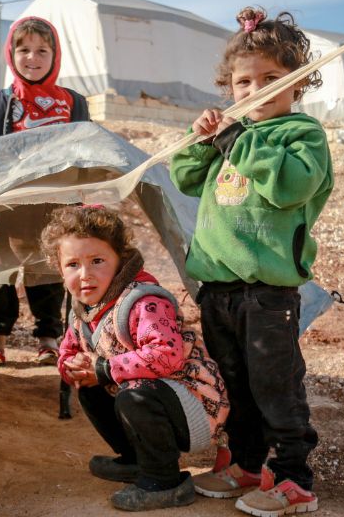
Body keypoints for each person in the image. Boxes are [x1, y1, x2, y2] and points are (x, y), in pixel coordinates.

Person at [169, 6, 334, 516]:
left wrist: (235, 140)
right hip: (218, 290)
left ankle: (293, 479)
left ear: (297, 83)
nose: (256, 89)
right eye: (244, 82)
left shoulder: (301, 136)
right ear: (229, 87)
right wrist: (202, 139)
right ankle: (245, 464)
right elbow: (184, 177)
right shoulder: (230, 134)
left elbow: (288, 186)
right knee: (234, 384)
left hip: (266, 294)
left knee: (274, 386)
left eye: (270, 78)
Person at [42, 205, 229, 512]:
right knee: (90, 387)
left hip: (195, 409)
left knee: (133, 395)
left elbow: (166, 356)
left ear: (120, 259)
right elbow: (69, 350)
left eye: (97, 261)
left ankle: (165, 481)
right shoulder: (84, 309)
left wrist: (104, 368)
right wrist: (72, 368)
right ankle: (136, 460)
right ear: (60, 271)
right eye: (73, 264)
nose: (85, 274)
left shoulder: (143, 302)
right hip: (154, 397)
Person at [0, 16, 90, 367]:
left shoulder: (73, 102)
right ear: (11, 55)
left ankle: (48, 337)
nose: (32, 58)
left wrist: (80, 199)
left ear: (55, 55)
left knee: (48, 271)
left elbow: (86, 150)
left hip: (54, 205)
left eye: (42, 50)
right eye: (23, 50)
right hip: (6, 204)